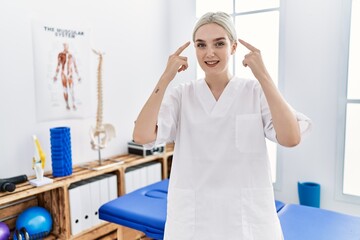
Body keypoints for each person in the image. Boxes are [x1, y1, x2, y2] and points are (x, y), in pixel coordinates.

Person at [133, 12, 311, 240]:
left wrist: (263, 75)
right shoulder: (182, 95)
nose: (209, 53)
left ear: (234, 47)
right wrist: (165, 77)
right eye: (201, 45)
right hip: (194, 219)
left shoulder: (254, 92)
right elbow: (142, 135)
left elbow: (291, 138)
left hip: (246, 220)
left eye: (219, 43)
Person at [53, 42, 81, 110]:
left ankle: (73, 104)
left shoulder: (71, 55)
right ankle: (67, 104)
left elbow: (75, 66)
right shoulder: (60, 54)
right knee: (65, 90)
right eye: (65, 45)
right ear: (63, 46)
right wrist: (55, 75)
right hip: (63, 74)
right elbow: (58, 65)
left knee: (71, 89)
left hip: (70, 74)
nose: (66, 47)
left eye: (67, 45)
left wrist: (78, 76)